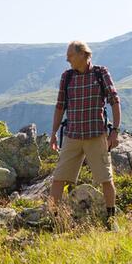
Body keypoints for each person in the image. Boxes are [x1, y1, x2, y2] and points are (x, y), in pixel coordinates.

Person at [49, 41, 122, 230]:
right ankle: (53, 220)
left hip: (96, 136)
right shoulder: (67, 77)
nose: (67, 59)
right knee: (58, 178)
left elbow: (114, 101)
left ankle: (111, 221)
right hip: (72, 136)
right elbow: (59, 107)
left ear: (83, 54)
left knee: (106, 178)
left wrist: (114, 131)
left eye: (70, 56)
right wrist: (54, 133)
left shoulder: (100, 73)